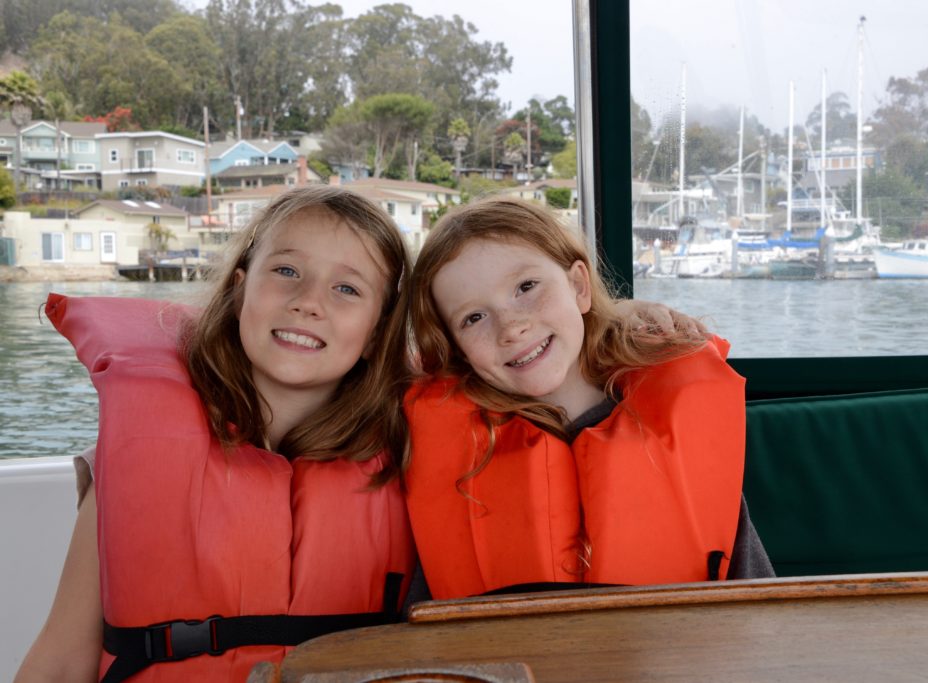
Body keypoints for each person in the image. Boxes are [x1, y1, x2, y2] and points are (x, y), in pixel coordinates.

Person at [15, 186, 417, 683]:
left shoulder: (409, 461)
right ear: (239, 289)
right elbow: (59, 662)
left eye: (347, 289)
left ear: (378, 332)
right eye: (286, 271)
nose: (308, 302)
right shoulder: (137, 457)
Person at [403, 196, 773, 600]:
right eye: (473, 318)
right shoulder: (448, 453)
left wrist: (619, 314)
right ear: (455, 347)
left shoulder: (682, 436)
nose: (510, 327)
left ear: (579, 286)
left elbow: (757, 603)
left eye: (526, 287)